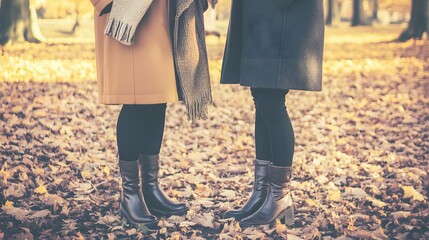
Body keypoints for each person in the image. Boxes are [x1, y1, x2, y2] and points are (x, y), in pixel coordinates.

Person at [89, 0, 213, 231]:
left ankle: (150, 189)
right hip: (129, 13)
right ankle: (130, 194)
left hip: (162, 13)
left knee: (157, 100)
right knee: (137, 102)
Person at [221, 0, 325, 228]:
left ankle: (279, 197)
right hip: (262, 13)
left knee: (271, 101)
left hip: (281, 11)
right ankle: (263, 193)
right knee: (262, 95)